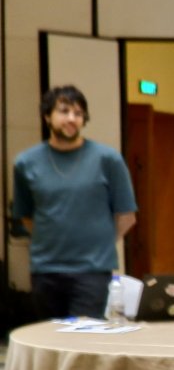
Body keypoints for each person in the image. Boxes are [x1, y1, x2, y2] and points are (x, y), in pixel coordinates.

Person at [12, 85, 137, 319]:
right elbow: (27, 216)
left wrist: (99, 245)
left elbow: (127, 216)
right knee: (49, 341)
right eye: (64, 111)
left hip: (92, 271)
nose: (72, 118)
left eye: (78, 114)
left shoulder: (107, 159)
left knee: (83, 342)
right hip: (45, 270)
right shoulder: (26, 162)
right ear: (47, 116)